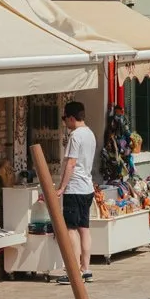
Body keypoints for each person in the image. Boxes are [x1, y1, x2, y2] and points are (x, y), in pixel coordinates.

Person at [58, 101, 98, 281]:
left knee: (71, 229)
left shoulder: (75, 136)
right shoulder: (90, 134)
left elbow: (71, 163)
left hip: (74, 188)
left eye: (65, 118)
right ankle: (86, 269)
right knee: (84, 229)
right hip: (87, 187)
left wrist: (62, 187)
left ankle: (73, 271)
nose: (64, 122)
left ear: (72, 118)